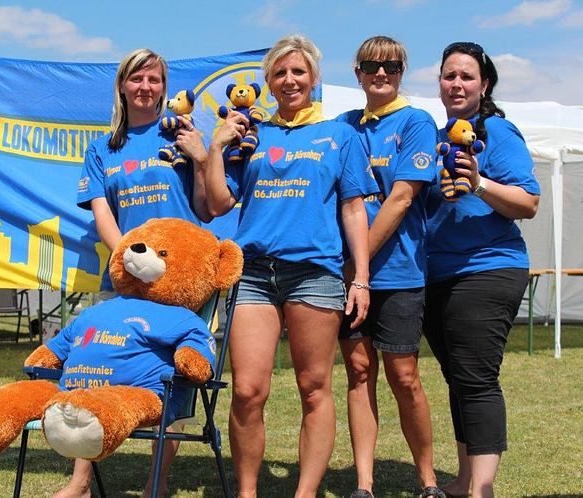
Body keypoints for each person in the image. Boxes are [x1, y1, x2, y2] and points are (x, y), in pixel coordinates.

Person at [202, 35, 376, 498]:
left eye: (298, 71)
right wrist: (217, 148)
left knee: (314, 387)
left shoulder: (341, 134)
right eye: (280, 73)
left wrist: (359, 278)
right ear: (268, 84)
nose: (290, 79)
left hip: (316, 273)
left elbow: (354, 210)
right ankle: (247, 492)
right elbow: (219, 203)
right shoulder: (252, 134)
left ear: (314, 79)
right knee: (247, 391)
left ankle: (305, 493)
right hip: (254, 273)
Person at [73, 48, 210, 498]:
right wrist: (130, 261)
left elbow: (208, 205)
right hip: (128, 280)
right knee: (98, 370)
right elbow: (102, 213)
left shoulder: (180, 134)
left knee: (173, 377)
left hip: (179, 282)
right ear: (122, 86)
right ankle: (79, 482)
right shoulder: (101, 148)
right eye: (137, 79)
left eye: (154, 80)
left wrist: (203, 155)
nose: (145, 88)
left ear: (164, 88)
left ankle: (159, 481)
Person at [423, 42, 540, 498]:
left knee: (476, 378)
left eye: (466, 76)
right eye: (449, 75)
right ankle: (466, 478)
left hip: (489, 268)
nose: (456, 84)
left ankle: (483, 489)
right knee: (459, 377)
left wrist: (480, 182)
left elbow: (528, 203)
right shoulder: (435, 136)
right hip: (439, 274)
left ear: (484, 84)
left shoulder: (497, 132)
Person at [336, 36, 444, 498]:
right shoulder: (341, 126)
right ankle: (364, 484)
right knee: (359, 373)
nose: (381, 73)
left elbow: (401, 198)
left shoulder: (417, 122)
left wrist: (357, 265)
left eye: (392, 66)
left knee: (404, 377)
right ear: (357, 72)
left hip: (397, 272)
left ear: (402, 72)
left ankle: (428, 480)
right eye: (371, 65)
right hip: (346, 275)